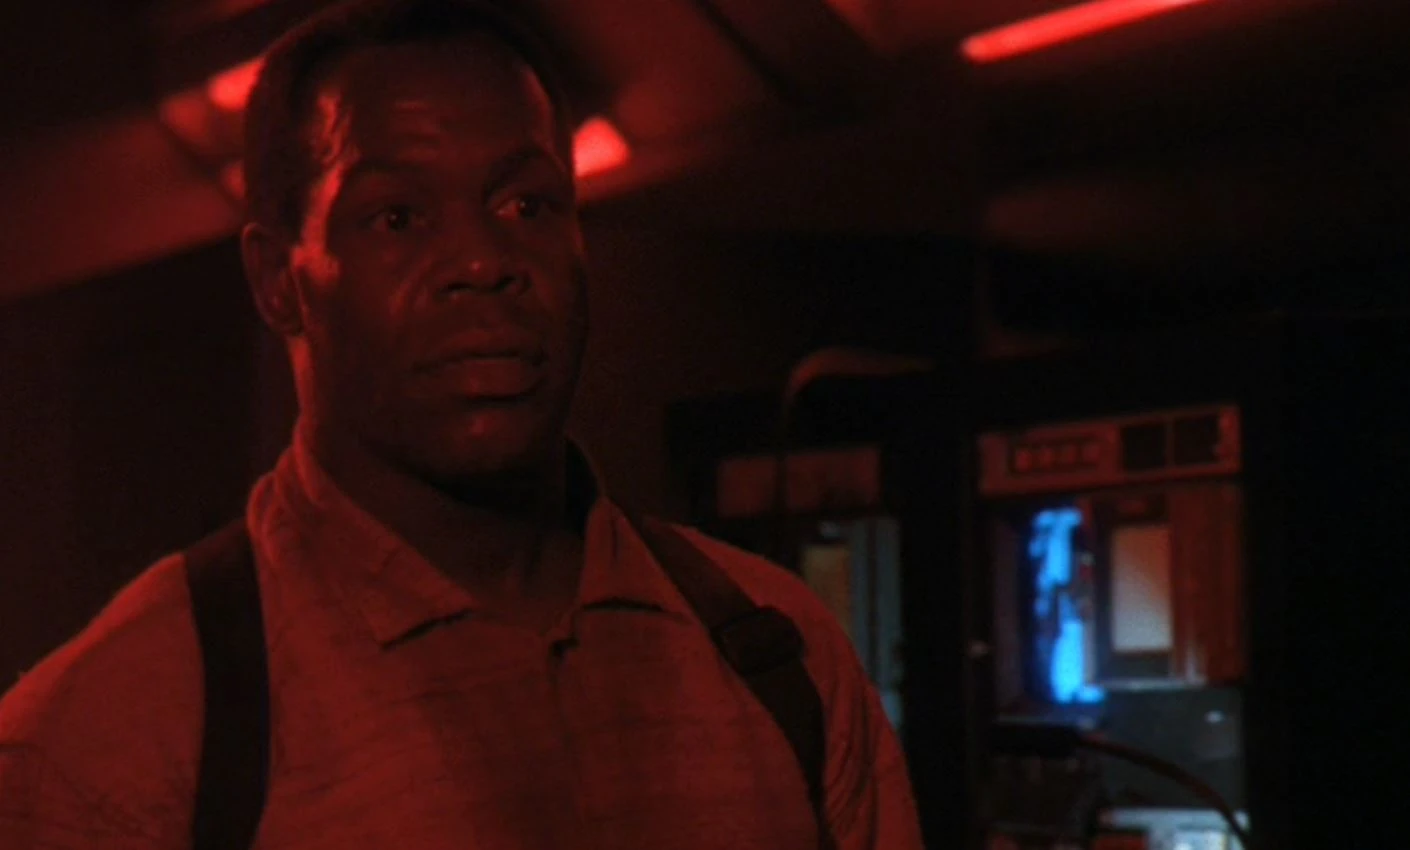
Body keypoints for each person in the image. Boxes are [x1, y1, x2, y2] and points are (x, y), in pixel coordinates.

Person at [0, 1, 925, 847]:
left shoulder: (780, 656)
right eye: (396, 217)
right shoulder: (119, 740)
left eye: (526, 204)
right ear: (279, 280)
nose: (482, 261)